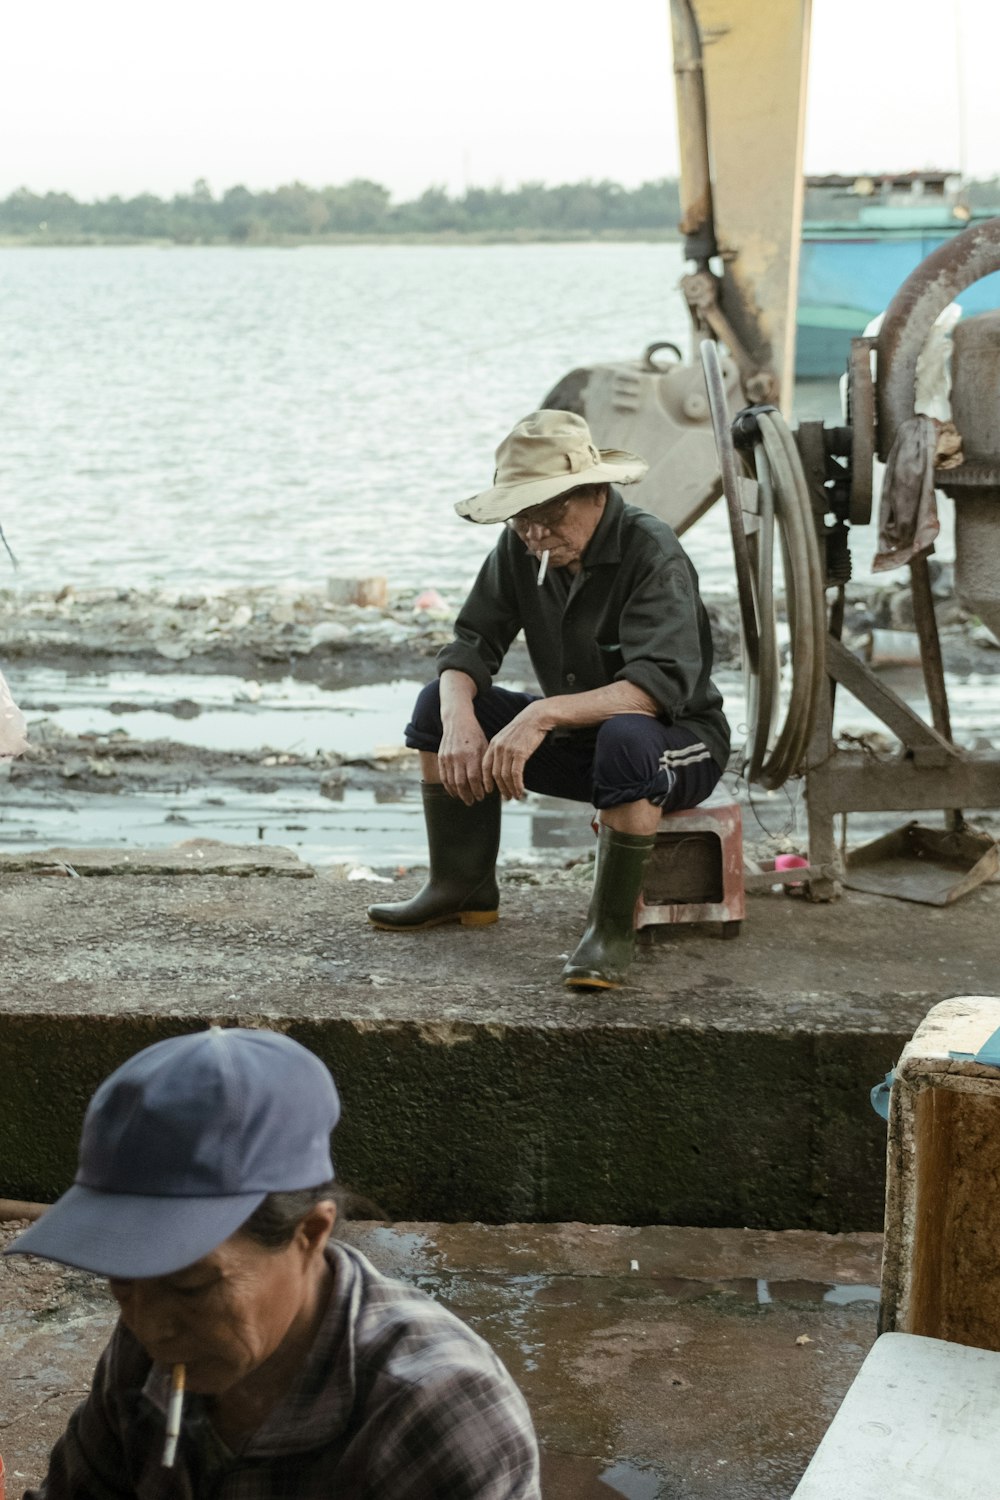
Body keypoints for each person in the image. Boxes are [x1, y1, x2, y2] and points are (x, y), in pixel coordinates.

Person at [6, 1026, 541, 1500]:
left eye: (191, 1286)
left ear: (310, 1233)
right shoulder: (151, 1341)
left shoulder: (436, 1416)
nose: (149, 1327)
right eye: (122, 1279)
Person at [368, 409, 730, 988]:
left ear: (594, 493)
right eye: (521, 517)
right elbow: (469, 644)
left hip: (678, 745)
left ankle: (609, 930)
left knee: (625, 737)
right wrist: (459, 718)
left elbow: (658, 687)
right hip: (579, 739)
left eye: (549, 513)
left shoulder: (650, 549)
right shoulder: (523, 547)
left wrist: (541, 713)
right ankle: (461, 886)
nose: (535, 532)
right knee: (434, 706)